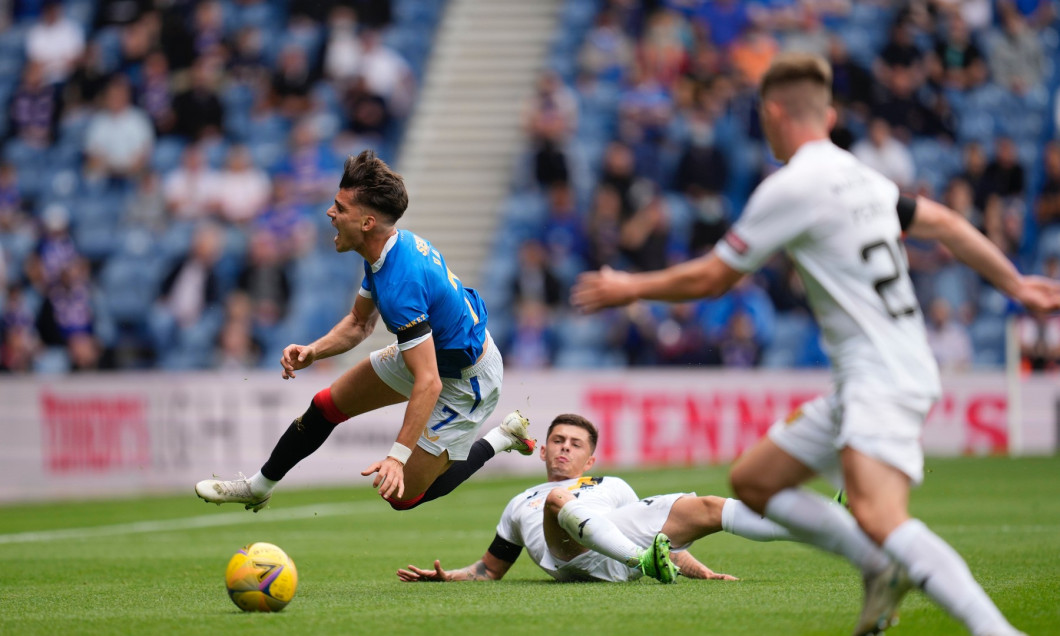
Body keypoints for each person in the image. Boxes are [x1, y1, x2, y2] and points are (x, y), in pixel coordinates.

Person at [572, 53, 1060, 635]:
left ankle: (991, 628)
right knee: (753, 480)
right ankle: (877, 564)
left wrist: (632, 284)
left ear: (774, 113)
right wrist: (1014, 282)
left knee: (881, 519)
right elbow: (948, 224)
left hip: (881, 376)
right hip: (877, 373)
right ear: (826, 115)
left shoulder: (794, 186)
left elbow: (712, 277)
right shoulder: (860, 176)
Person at [196, 150, 535, 512]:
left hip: (467, 381)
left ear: (368, 222)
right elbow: (360, 323)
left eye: (340, 208)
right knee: (327, 405)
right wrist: (315, 350)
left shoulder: (400, 280)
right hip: (433, 356)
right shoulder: (385, 252)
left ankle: (501, 437)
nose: (330, 213)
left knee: (400, 496)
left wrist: (396, 456)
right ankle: (259, 486)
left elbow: (430, 383)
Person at [397, 413, 795, 584]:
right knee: (557, 499)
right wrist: (453, 576)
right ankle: (639, 563)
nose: (564, 449)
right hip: (570, 552)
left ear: (591, 458)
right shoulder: (521, 502)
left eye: (575, 444)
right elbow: (491, 569)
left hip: (625, 554)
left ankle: (828, 521)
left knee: (708, 505)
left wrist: (701, 571)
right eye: (557, 441)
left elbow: (658, 541)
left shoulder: (613, 484)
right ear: (542, 450)